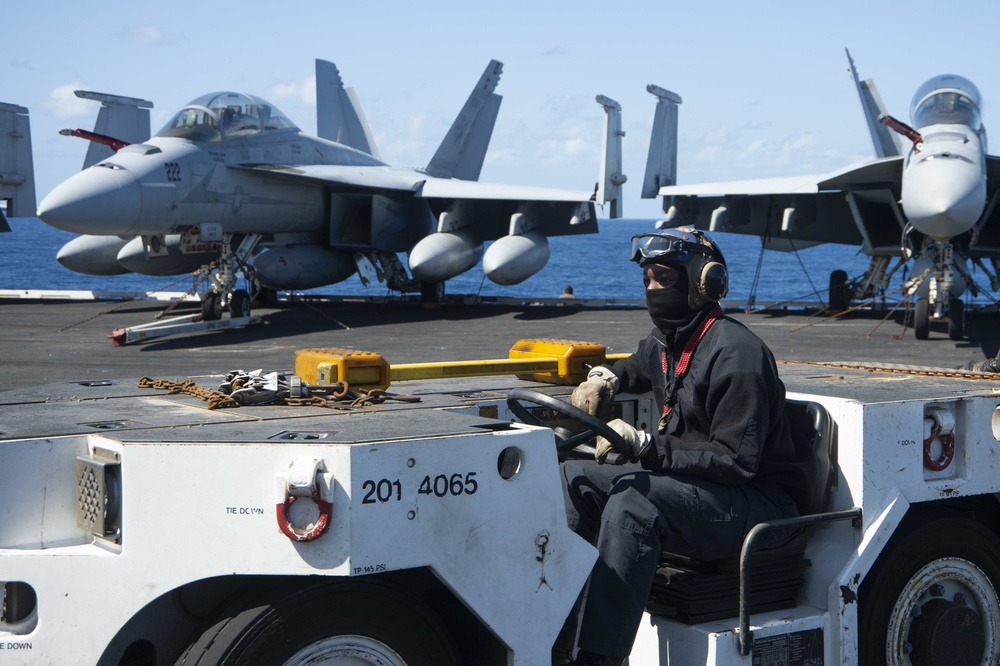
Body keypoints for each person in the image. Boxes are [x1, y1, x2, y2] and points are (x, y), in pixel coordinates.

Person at [556, 227, 817, 665]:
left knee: (633, 503)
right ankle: (556, 643)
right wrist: (607, 378)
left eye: (665, 279)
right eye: (648, 281)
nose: (654, 290)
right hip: (703, 489)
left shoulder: (739, 355)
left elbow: (736, 463)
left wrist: (644, 445)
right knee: (574, 477)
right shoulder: (666, 342)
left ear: (705, 283)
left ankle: (598, 659)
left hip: (761, 505)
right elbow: (639, 367)